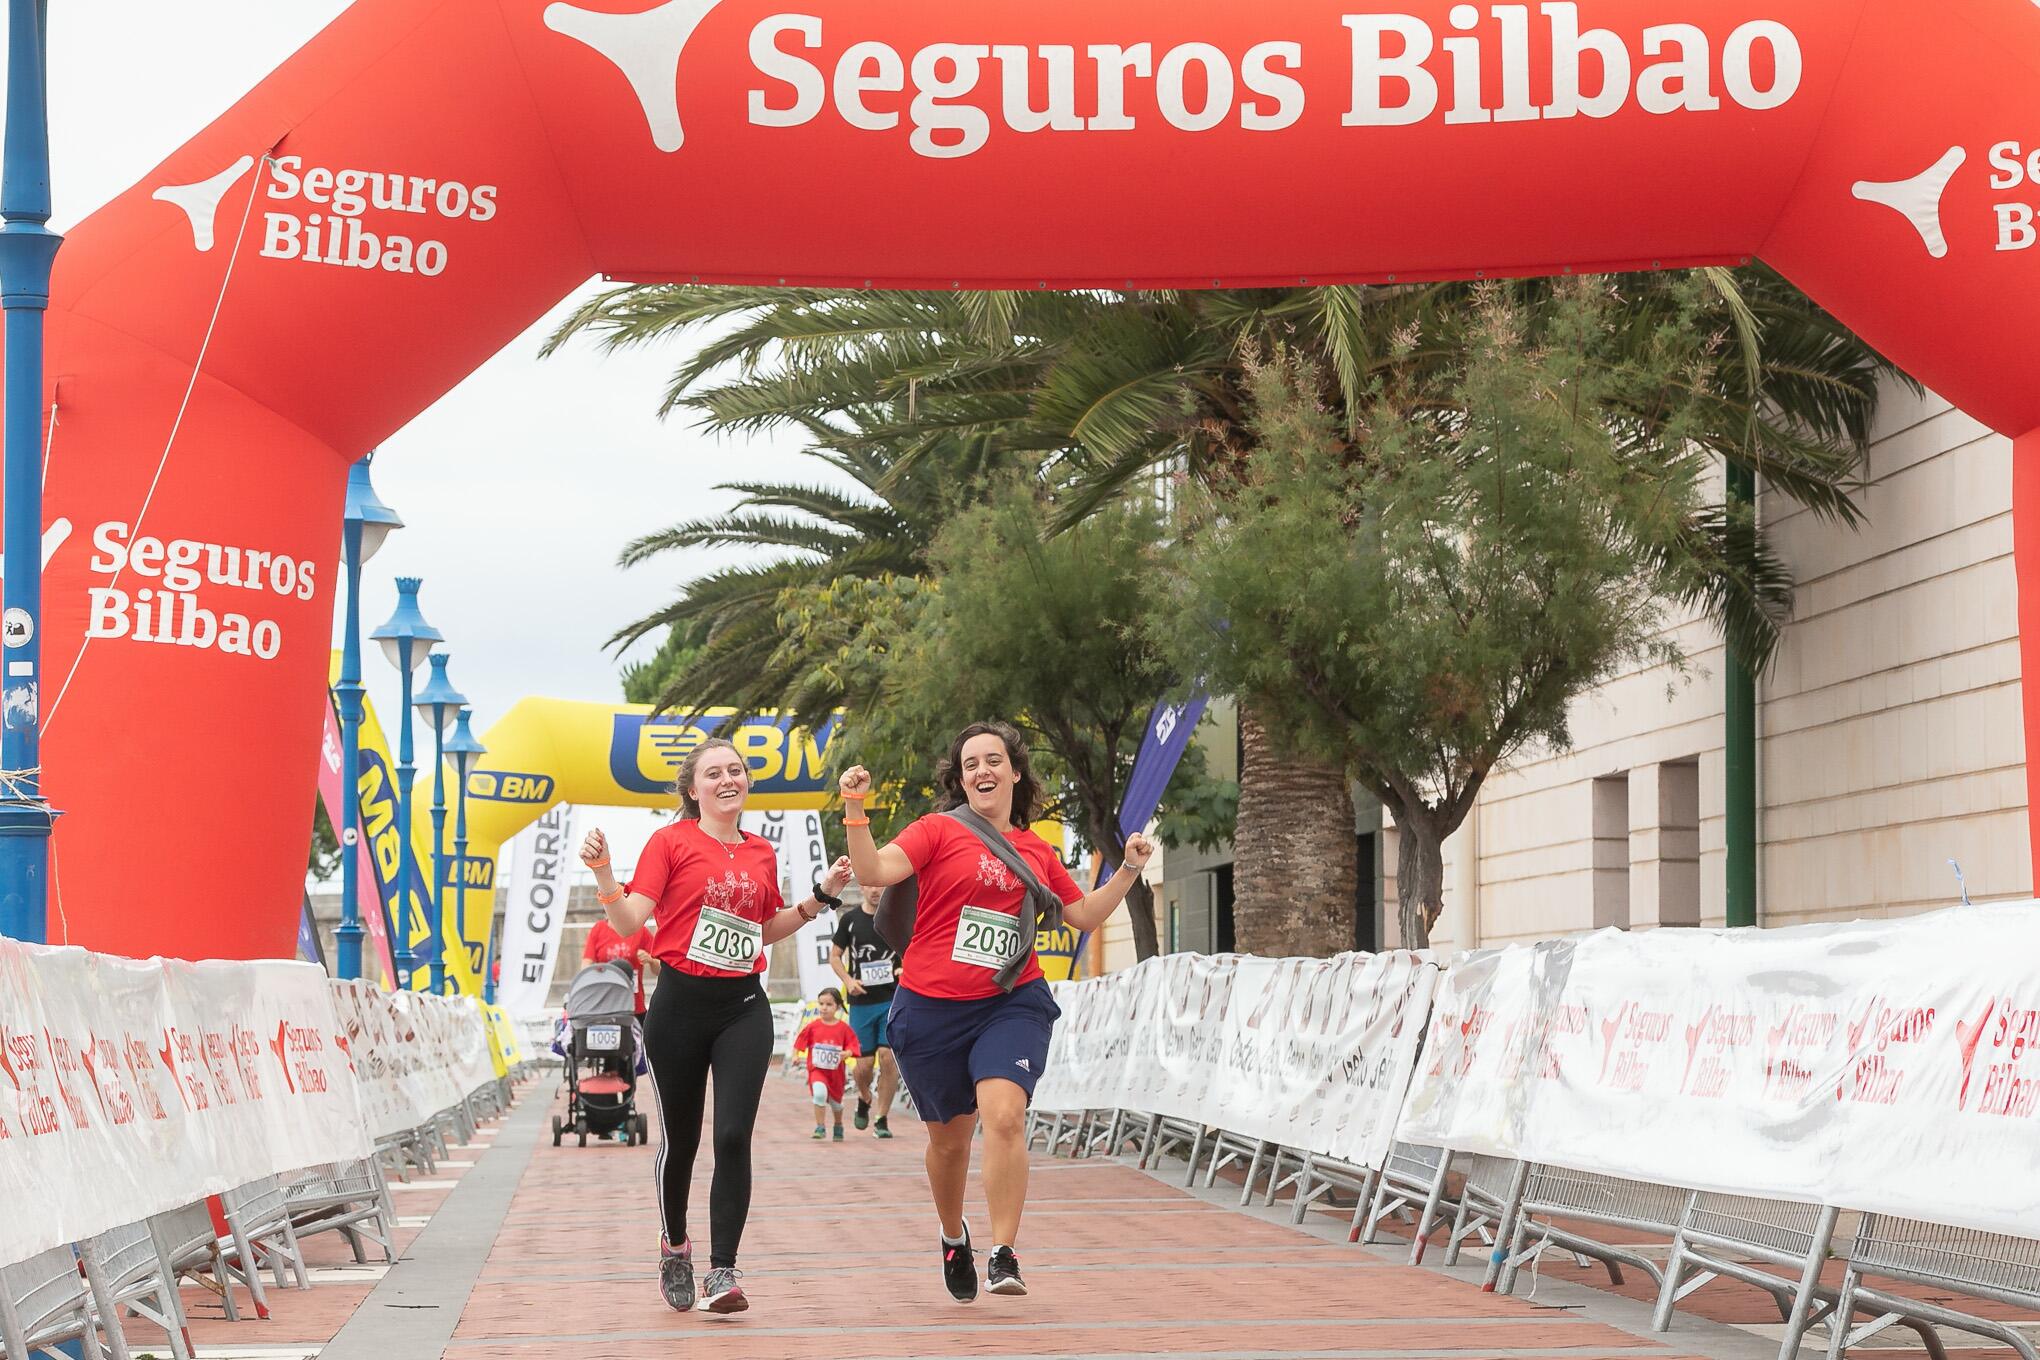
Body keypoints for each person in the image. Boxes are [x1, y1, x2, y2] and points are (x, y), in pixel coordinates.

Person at [839, 721, 1154, 1301]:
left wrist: (1129, 868)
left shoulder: (1037, 850)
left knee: (1005, 1114)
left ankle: (1004, 1252)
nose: (982, 771)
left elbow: (1082, 915)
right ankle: (953, 1234)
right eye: (970, 764)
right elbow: (873, 873)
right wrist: (855, 810)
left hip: (1011, 1002)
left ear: (1014, 770)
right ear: (961, 779)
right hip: (932, 1008)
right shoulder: (936, 831)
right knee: (950, 1142)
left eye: (993, 760)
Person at [580, 738, 852, 1316]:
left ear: (747, 781)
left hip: (742, 1008)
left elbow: (764, 926)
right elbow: (630, 918)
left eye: (737, 771)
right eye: (714, 773)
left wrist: (819, 898)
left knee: (732, 1135)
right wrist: (605, 874)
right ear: (693, 788)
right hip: (679, 1006)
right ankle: (675, 1245)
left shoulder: (762, 852)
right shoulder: (670, 842)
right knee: (682, 1140)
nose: (728, 780)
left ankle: (722, 1269)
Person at [830, 883, 903, 1137]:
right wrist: (848, 981)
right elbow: (835, 956)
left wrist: (904, 969)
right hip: (861, 1003)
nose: (875, 890)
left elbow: (913, 948)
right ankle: (864, 1097)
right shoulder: (850, 920)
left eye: (879, 886)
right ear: (861, 887)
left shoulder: (895, 918)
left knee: (888, 1058)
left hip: (891, 1000)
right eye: (870, 885)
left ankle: (882, 1118)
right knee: (863, 1067)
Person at [792, 987, 861, 1140]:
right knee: (819, 1095)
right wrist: (795, 1056)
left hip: (836, 1073)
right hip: (817, 1070)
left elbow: (853, 1045)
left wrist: (848, 1053)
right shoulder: (813, 1026)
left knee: (836, 1104)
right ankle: (820, 1126)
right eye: (821, 1003)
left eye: (829, 1004)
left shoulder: (844, 1028)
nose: (824, 1007)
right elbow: (800, 1041)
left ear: (837, 1006)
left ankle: (838, 1124)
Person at [583, 915, 657, 1016]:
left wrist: (651, 960)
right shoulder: (598, 929)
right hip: (604, 1002)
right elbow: (586, 966)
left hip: (634, 1003)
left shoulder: (641, 930)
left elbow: (659, 970)